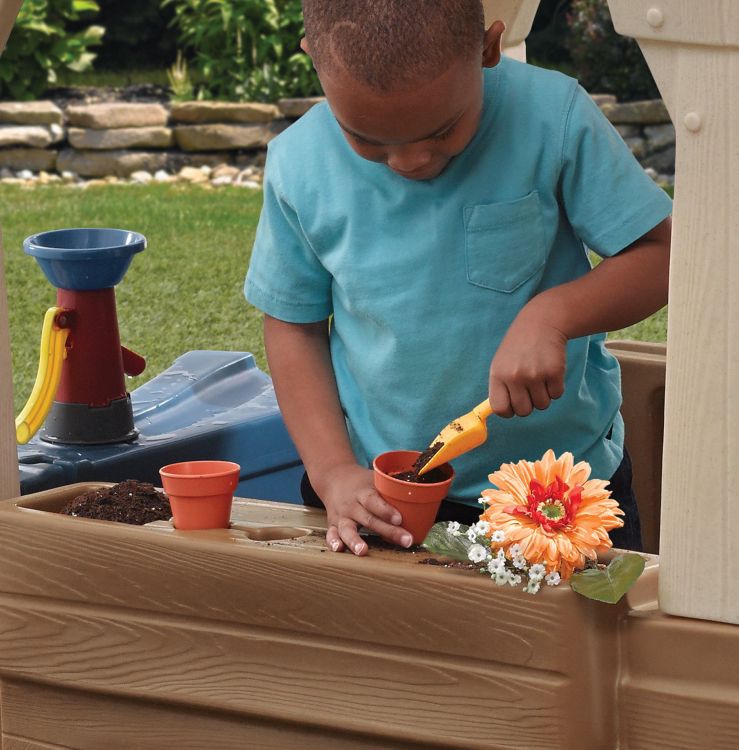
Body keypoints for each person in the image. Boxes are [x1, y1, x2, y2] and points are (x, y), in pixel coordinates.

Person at [245, 0, 672, 557]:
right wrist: (331, 472)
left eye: (442, 131)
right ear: (313, 62)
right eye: (368, 140)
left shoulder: (553, 116)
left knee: (577, 644)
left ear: (488, 49)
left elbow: (659, 253)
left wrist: (553, 315)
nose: (410, 161)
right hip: (379, 496)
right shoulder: (298, 165)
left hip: (562, 492)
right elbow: (293, 326)